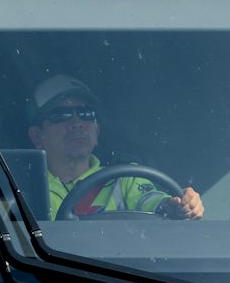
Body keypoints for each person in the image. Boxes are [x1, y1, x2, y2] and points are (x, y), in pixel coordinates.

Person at [23, 74, 204, 220]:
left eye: (86, 113)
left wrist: (179, 206)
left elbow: (153, 202)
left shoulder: (125, 178)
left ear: (97, 131)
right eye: (62, 115)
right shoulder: (22, 190)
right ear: (37, 136)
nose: (77, 123)